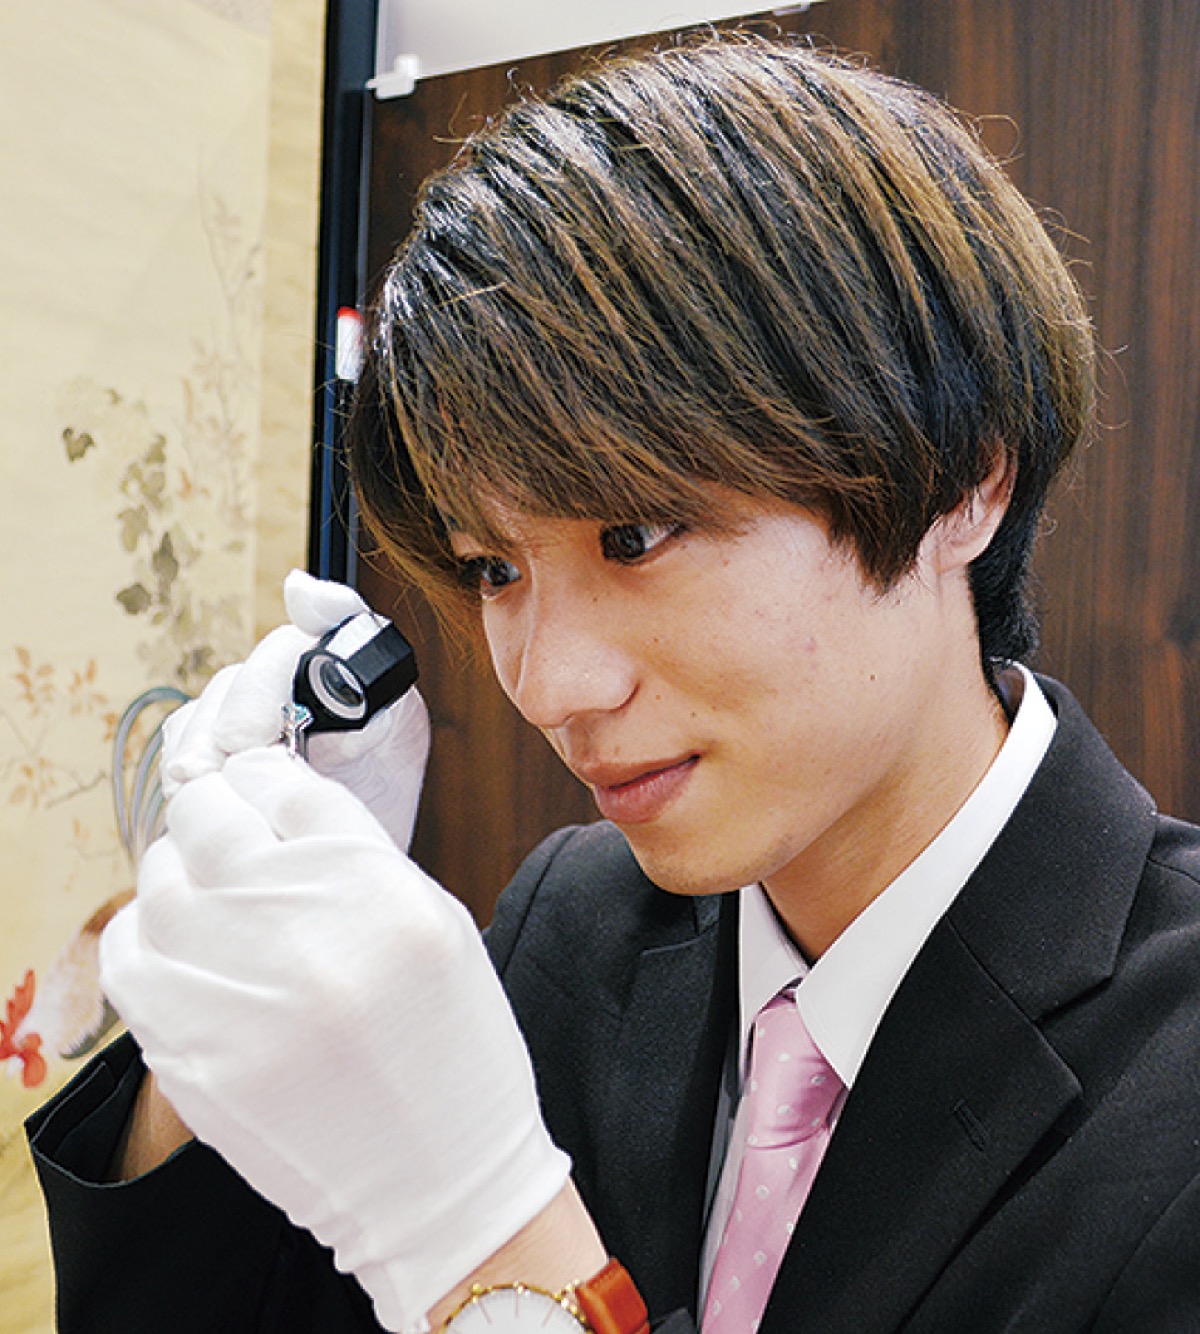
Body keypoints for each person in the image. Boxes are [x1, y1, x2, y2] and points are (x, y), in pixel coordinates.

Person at [27, 33, 1200, 1334]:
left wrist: (478, 1232)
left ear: (965, 479)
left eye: (634, 536)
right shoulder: (573, 923)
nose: (548, 685)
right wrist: (228, 992)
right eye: (492, 568)